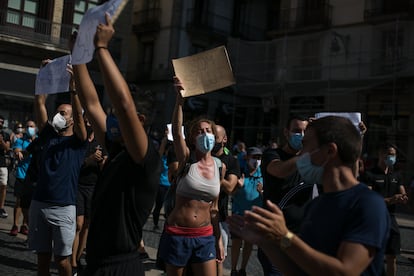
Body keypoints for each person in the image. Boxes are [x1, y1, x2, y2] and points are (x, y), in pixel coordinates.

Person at [228, 116, 390, 276]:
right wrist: (270, 242)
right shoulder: (316, 205)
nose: (300, 154)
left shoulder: (367, 204)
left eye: (306, 146)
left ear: (329, 151)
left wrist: (284, 235)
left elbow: (345, 271)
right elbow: (299, 268)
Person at [72, 14, 161, 275]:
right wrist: (78, 55)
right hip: (98, 264)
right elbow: (90, 104)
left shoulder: (146, 159)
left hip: (121, 267)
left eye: (116, 115)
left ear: (139, 120)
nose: (110, 116)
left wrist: (101, 48)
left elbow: (124, 106)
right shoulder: (117, 148)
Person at [158, 77, 224, 276]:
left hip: (205, 236)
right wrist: (180, 99)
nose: (205, 134)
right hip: (178, 233)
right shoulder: (187, 159)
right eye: (200, 131)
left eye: (208, 131)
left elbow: (214, 208)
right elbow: (177, 133)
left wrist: (218, 238)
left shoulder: (220, 166)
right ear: (193, 138)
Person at [29, 61, 87, 276]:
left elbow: (81, 117)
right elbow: (39, 103)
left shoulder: (78, 141)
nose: (59, 116)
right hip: (40, 203)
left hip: (63, 207)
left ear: (72, 120)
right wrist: (44, 76)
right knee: (42, 259)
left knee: (62, 260)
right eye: (58, 112)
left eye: (64, 113)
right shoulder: (48, 135)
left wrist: (73, 87)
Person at [258, 115, 310, 276]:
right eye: (296, 131)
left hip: (303, 238)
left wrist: (357, 135)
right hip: (277, 237)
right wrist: (307, 152)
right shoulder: (272, 155)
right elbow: (279, 170)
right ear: (286, 133)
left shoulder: (314, 161)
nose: (301, 135)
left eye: (305, 131)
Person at [360, 142, 408, 276]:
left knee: (392, 256)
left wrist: (403, 198)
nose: (391, 157)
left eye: (393, 155)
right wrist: (391, 200)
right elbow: (369, 200)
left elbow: (403, 193)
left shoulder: (397, 176)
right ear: (381, 155)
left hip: (391, 218)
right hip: (375, 219)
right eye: (389, 154)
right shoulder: (370, 175)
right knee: (374, 256)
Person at [70, 117, 106, 274]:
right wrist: (90, 159)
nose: (90, 122)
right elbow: (73, 164)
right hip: (78, 185)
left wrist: (100, 162)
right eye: (87, 120)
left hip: (93, 187)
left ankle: (77, 259)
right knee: (78, 224)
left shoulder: (101, 142)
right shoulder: (79, 140)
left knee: (87, 225)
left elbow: (105, 167)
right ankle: (71, 262)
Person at [211, 124, 241, 276]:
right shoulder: (202, 155)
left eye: (215, 137)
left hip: (219, 216)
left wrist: (219, 175)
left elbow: (230, 187)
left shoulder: (231, 161)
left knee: (218, 257)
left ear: (224, 139)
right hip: (199, 216)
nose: (211, 140)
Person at [230, 146, 263, 276]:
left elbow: (267, 198)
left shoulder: (263, 175)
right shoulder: (240, 173)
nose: (257, 160)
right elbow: (231, 193)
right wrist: (237, 187)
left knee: (249, 243)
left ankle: (243, 269)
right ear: (247, 158)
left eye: (259, 157)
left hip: (254, 217)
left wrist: (262, 192)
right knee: (236, 243)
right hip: (238, 215)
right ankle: (233, 269)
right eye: (254, 157)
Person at [10, 120, 37, 236]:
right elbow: (16, 150)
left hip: (34, 177)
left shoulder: (40, 141)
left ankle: (25, 224)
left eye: (32, 126)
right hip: (22, 174)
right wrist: (19, 152)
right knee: (19, 200)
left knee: (29, 203)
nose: (30, 128)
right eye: (28, 126)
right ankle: (15, 224)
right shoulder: (21, 140)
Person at [0, 115, 11, 219]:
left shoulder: (5, 135)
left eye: (1, 122)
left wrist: (1, 141)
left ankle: (1, 206)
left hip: (2, 163)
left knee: (3, 185)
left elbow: (7, 148)